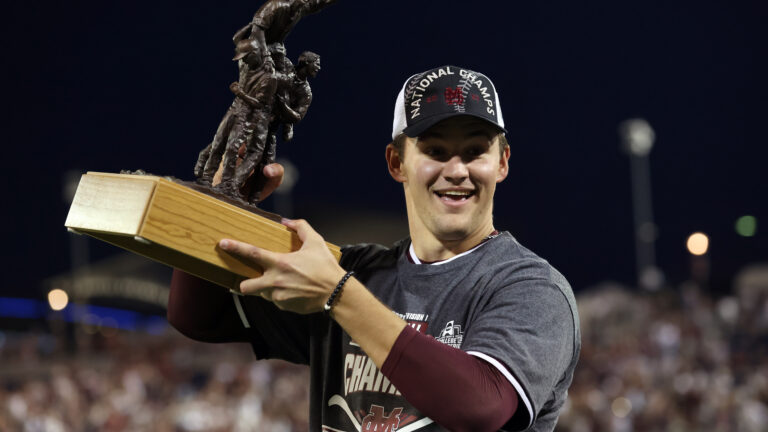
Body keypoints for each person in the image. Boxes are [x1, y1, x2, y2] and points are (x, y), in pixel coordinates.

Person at [168, 65, 581, 431]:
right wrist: (223, 198)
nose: (457, 171)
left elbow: (481, 408)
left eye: (475, 152)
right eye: (435, 151)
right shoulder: (359, 270)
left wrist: (337, 295)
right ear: (396, 163)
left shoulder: (532, 288)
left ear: (502, 162)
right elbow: (198, 317)